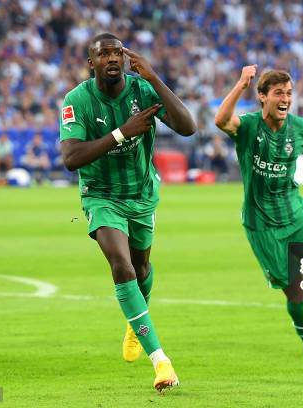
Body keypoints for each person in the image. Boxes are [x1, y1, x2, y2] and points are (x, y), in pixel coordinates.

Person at [59, 33, 196, 391]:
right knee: (122, 266)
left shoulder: (142, 90)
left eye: (117, 52)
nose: (111, 58)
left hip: (141, 194)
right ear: (92, 63)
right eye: (103, 54)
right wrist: (122, 133)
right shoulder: (77, 101)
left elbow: (188, 127)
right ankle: (161, 361)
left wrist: (154, 78)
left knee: (142, 267)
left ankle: (136, 323)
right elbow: (71, 158)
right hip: (101, 195)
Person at [215, 66, 303, 358]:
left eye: (289, 93)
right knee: (295, 290)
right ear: (262, 97)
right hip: (261, 224)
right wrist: (241, 83)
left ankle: (299, 261)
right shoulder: (249, 126)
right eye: (278, 93)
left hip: (295, 213)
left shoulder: (301, 127)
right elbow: (220, 120)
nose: (285, 99)